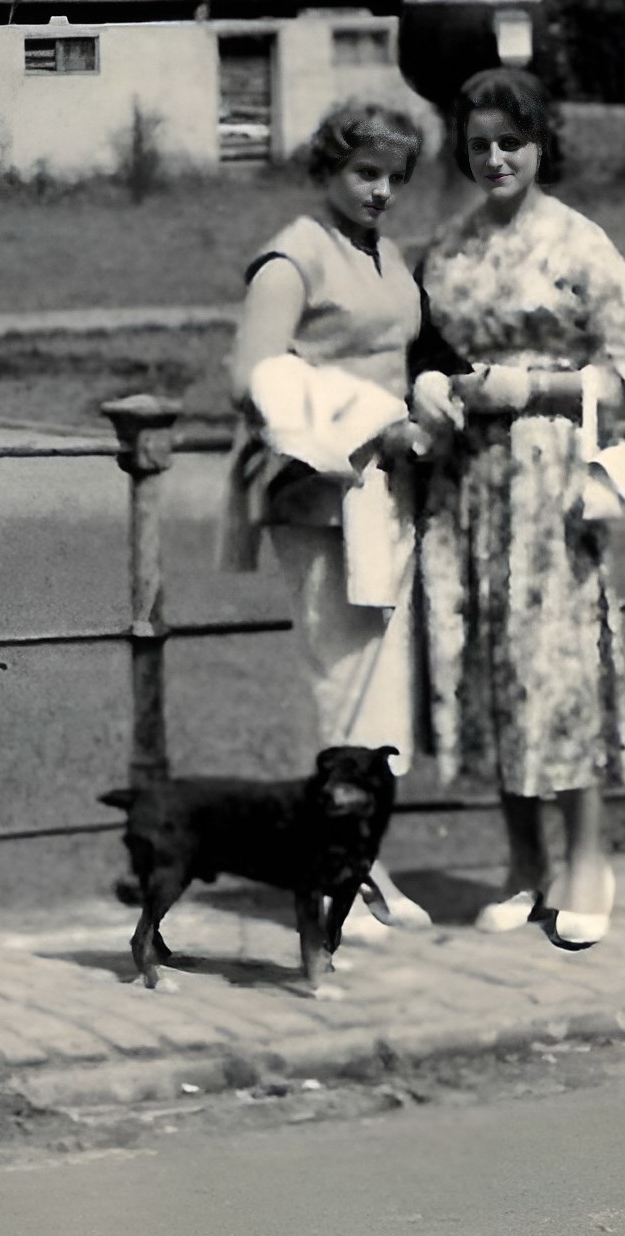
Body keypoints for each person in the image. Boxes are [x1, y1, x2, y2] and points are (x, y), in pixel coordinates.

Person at [412, 68, 625, 949]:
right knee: (490, 662)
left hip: (552, 481)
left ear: (541, 143)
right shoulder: (450, 247)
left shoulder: (581, 244)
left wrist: (530, 387)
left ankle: (586, 859)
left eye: (509, 141)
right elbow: (428, 346)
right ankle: (523, 864)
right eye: (478, 144)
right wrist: (434, 381)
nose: (495, 158)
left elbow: (622, 377)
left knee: (556, 667)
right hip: (470, 483)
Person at [223, 96, 433, 932]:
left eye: (391, 177)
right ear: (327, 170)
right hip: (320, 490)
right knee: (338, 673)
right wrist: (362, 417)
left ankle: (364, 859)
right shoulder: (292, 256)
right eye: (362, 172)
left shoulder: (384, 254)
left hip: (386, 489)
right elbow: (251, 378)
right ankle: (333, 869)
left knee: (381, 679)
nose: (379, 191)